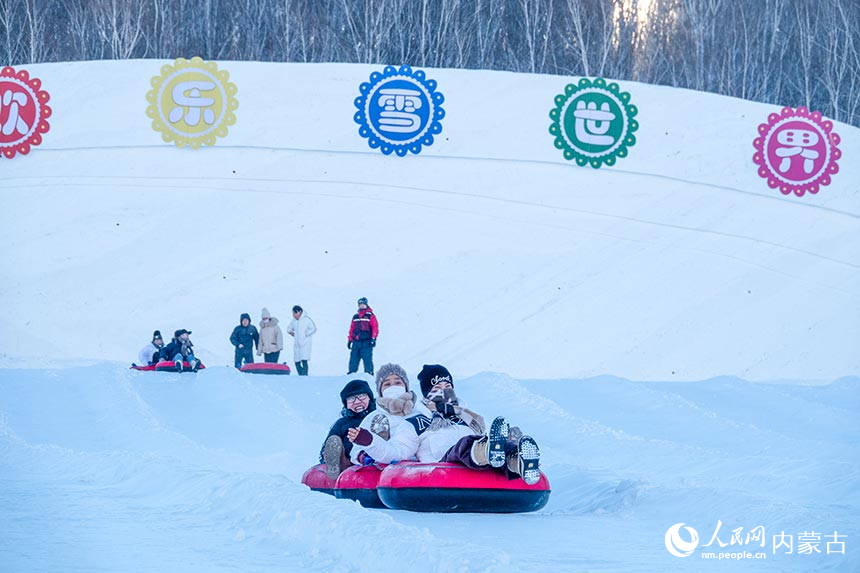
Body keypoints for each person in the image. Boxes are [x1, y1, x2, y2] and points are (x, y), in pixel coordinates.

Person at [351, 364, 542, 484]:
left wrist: (507, 440)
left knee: (491, 443)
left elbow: (488, 433)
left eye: (447, 387)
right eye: (436, 388)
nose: (444, 392)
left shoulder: (467, 417)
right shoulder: (417, 421)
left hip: (480, 462)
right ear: (426, 393)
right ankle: (486, 449)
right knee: (465, 445)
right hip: (444, 462)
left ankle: (517, 460)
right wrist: (369, 442)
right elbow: (397, 451)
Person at [346, 363, 431, 466]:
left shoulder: (420, 412)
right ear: (380, 391)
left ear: (406, 386)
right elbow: (357, 448)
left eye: (398, 382)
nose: (393, 387)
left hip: (414, 466)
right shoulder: (372, 418)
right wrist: (362, 456)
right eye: (387, 384)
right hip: (377, 468)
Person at [319, 379, 377, 479]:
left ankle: (371, 461)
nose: (357, 401)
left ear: (370, 398)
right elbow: (329, 442)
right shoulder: (342, 423)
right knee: (334, 442)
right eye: (351, 399)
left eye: (362, 396)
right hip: (348, 464)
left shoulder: (378, 417)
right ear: (346, 404)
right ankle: (335, 468)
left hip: (376, 457)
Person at [347, 297, 378, 376]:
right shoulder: (355, 317)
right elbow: (352, 328)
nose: (362, 306)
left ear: (366, 305)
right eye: (360, 304)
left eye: (363, 304)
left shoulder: (370, 316)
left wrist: (373, 339)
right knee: (353, 359)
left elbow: (375, 327)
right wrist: (350, 340)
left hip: (366, 342)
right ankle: (351, 375)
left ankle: (369, 374)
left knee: (367, 360)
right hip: (356, 342)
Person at [287, 305, 316, 375]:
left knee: (304, 361)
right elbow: (289, 328)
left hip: (305, 344)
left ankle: (305, 375)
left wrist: (306, 334)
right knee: (297, 362)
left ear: (299, 312)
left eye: (295, 313)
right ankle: (300, 375)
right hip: (297, 345)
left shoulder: (306, 320)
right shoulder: (294, 321)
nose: (294, 315)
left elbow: (313, 328)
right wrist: (290, 332)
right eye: (293, 313)